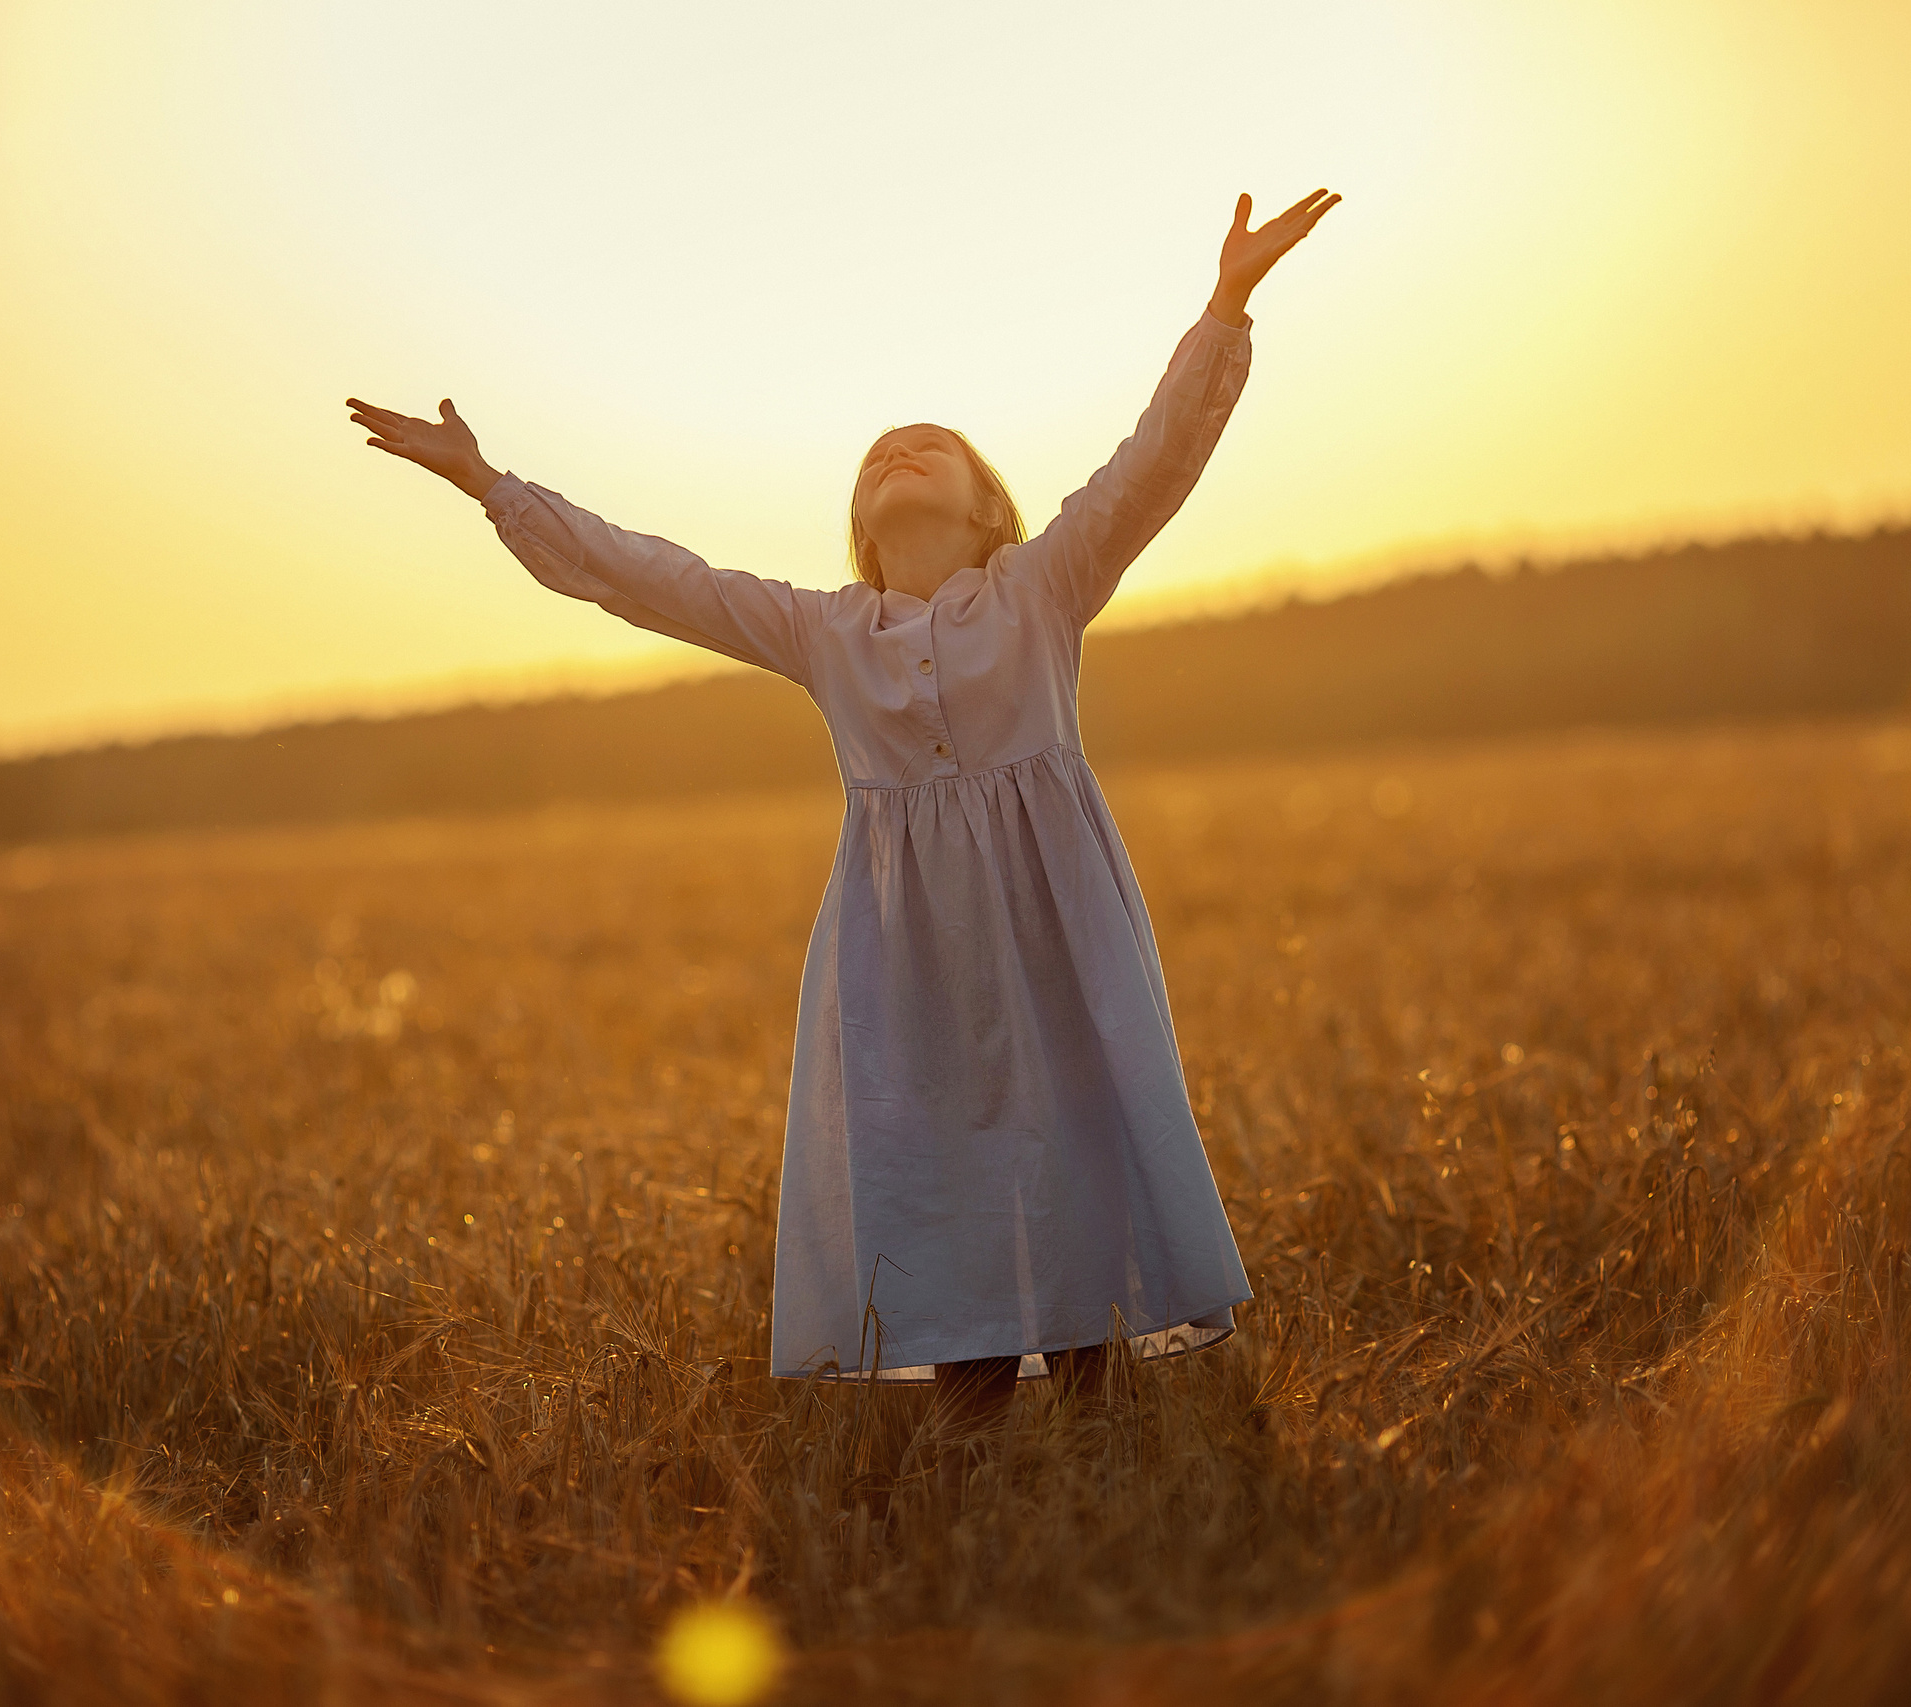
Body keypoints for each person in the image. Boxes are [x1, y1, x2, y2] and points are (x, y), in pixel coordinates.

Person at [347, 188, 1342, 1458]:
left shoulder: (1042, 588)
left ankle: (1098, 1411)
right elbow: (657, 579)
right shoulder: (824, 633)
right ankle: (972, 1417)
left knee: (1071, 1116)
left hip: (1050, 911)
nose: (896, 450)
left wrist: (1224, 306)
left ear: (991, 509)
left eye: (930, 443)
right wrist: (488, 482)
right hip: (903, 941)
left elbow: (1154, 462)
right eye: (875, 451)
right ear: (859, 532)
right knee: (931, 1145)